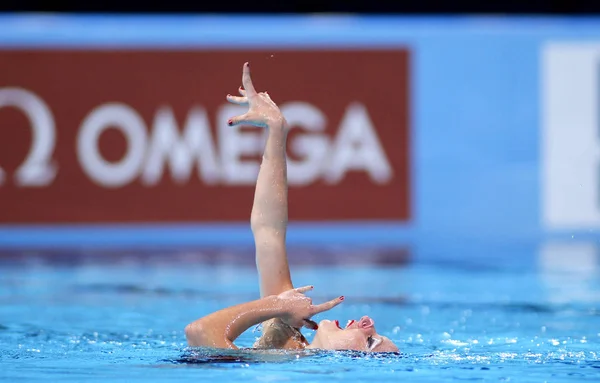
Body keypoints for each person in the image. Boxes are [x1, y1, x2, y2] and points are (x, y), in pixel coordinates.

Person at [184, 62, 399, 353]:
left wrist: (275, 305)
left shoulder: (288, 364)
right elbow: (268, 230)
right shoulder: (287, 342)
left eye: (371, 340)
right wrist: (276, 132)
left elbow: (198, 333)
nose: (367, 322)